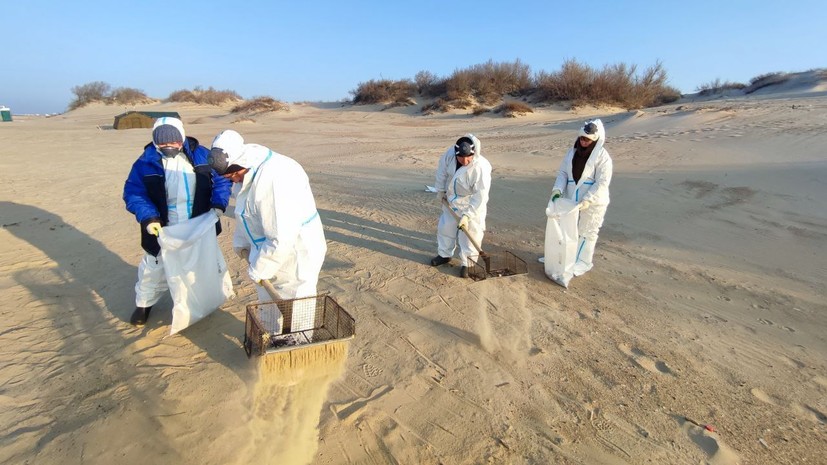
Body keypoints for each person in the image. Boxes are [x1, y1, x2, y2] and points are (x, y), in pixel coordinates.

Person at [123, 117, 232, 326]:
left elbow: (221, 180)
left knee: (199, 265)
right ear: (156, 142)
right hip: (163, 227)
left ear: (181, 138)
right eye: (163, 143)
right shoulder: (145, 163)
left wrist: (218, 204)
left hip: (198, 223)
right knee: (154, 266)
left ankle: (198, 303)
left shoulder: (201, 155)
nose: (169, 146)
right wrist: (148, 217)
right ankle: (144, 304)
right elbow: (134, 193)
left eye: (173, 142)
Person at [208, 129, 326, 307]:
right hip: (267, 250)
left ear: (240, 163)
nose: (233, 180)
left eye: (233, 176)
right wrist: (242, 243)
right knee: (270, 307)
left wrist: (259, 269)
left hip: (295, 252)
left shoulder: (274, 180)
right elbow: (246, 212)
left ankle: (295, 336)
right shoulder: (245, 174)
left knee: (295, 305)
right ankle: (272, 334)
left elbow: (281, 237)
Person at [549, 118, 613, 276]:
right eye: (582, 138)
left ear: (595, 140)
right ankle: (563, 258)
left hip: (593, 203)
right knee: (568, 229)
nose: (584, 142)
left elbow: (602, 182)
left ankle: (583, 262)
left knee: (587, 231)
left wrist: (589, 199)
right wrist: (557, 189)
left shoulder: (603, 157)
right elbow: (563, 173)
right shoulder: (572, 152)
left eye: (588, 140)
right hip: (572, 200)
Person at [430, 134, 492, 278]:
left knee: (471, 233)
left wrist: (467, 215)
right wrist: (440, 190)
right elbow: (442, 173)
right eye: (461, 157)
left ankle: (468, 263)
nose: (465, 161)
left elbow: (480, 196)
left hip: (471, 203)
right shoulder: (449, 155)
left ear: (473, 152)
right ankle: (444, 255)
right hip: (451, 199)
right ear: (456, 152)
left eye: (468, 157)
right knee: (445, 227)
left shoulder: (481, 167)